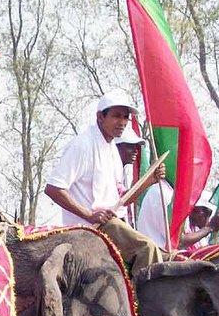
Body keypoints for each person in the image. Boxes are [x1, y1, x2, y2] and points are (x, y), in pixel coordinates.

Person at [44, 89, 163, 271]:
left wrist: (150, 180)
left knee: (167, 255)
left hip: (112, 222)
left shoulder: (111, 149)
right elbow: (53, 188)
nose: (122, 122)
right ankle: (141, 299)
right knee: (146, 249)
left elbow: (122, 199)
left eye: (125, 117)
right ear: (100, 116)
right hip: (92, 228)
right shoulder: (83, 144)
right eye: (116, 116)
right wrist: (89, 214)